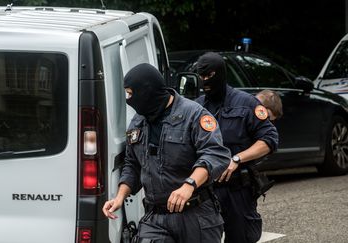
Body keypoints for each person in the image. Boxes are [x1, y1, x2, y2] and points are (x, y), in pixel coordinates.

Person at [102, 63, 231, 243]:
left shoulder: (193, 114)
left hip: (195, 214)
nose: (128, 99)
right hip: (156, 219)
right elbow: (133, 164)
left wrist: (189, 185)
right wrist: (119, 197)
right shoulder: (138, 122)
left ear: (147, 91)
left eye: (131, 93)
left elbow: (215, 154)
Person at [194, 52, 279, 243]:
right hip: (206, 192)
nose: (205, 81)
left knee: (242, 237)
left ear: (221, 74)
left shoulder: (247, 103)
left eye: (209, 76)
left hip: (237, 190)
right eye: (201, 77)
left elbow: (269, 139)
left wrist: (237, 159)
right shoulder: (196, 108)